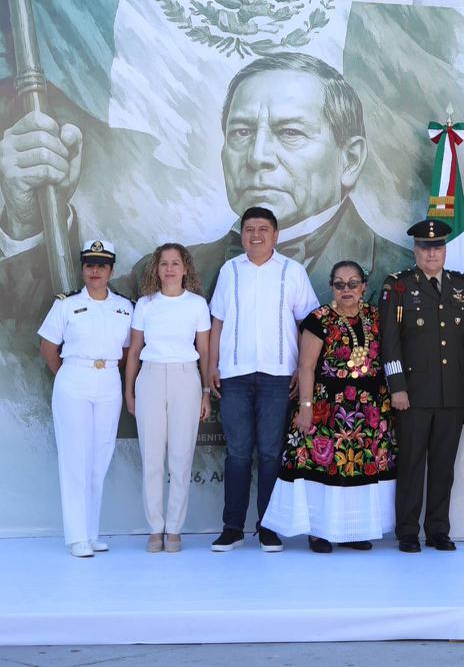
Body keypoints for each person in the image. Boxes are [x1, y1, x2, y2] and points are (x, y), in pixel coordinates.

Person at [0, 51, 411, 304]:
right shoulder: (162, 271)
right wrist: (27, 221)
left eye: (289, 132)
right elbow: (72, 332)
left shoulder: (404, 279)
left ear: (350, 159)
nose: (258, 156)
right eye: (242, 132)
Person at [261, 261, 396, 552]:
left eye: (353, 283)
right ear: (331, 287)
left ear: (364, 287)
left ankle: (353, 530)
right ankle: (317, 532)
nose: (347, 289)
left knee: (358, 468)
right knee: (322, 469)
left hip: (369, 411)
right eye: (339, 284)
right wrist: (305, 406)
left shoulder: (376, 317)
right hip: (328, 408)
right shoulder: (319, 319)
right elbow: (306, 366)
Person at [207, 207, 319, 552]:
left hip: (278, 377)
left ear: (275, 234)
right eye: (249, 229)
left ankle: (268, 527)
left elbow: (308, 324)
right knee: (238, 453)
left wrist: (302, 370)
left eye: (263, 229)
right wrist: (212, 365)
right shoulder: (229, 270)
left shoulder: (292, 271)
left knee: (271, 453)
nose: (255, 235)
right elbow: (217, 322)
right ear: (242, 234)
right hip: (235, 375)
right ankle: (232, 527)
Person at [380, 218, 464, 552]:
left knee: (443, 466)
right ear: (416, 250)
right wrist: (397, 386)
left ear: (445, 250)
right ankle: (408, 531)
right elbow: (390, 342)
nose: (431, 253)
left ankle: (438, 529)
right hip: (413, 393)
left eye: (437, 247)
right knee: (411, 464)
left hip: (452, 392)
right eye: (425, 248)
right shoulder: (398, 287)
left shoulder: (462, 287)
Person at [36, 239, 133, 557]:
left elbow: (128, 350)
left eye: (102, 266)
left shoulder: (125, 307)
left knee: (99, 458)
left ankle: (91, 533)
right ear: (82, 269)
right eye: (90, 265)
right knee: (75, 458)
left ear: (111, 271)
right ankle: (76, 536)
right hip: (74, 380)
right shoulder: (66, 305)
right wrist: (68, 374)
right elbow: (48, 347)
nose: (95, 271)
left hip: (108, 381)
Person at [122, 243, 213, 553]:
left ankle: (174, 529)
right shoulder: (145, 305)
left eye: (176, 263)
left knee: (180, 458)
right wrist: (129, 391)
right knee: (151, 458)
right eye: (164, 264)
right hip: (150, 377)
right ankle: (155, 528)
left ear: (185, 268)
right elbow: (135, 350)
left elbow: (204, 351)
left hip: (186, 378)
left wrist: (205, 392)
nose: (170, 269)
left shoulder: (197, 305)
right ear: (156, 270)